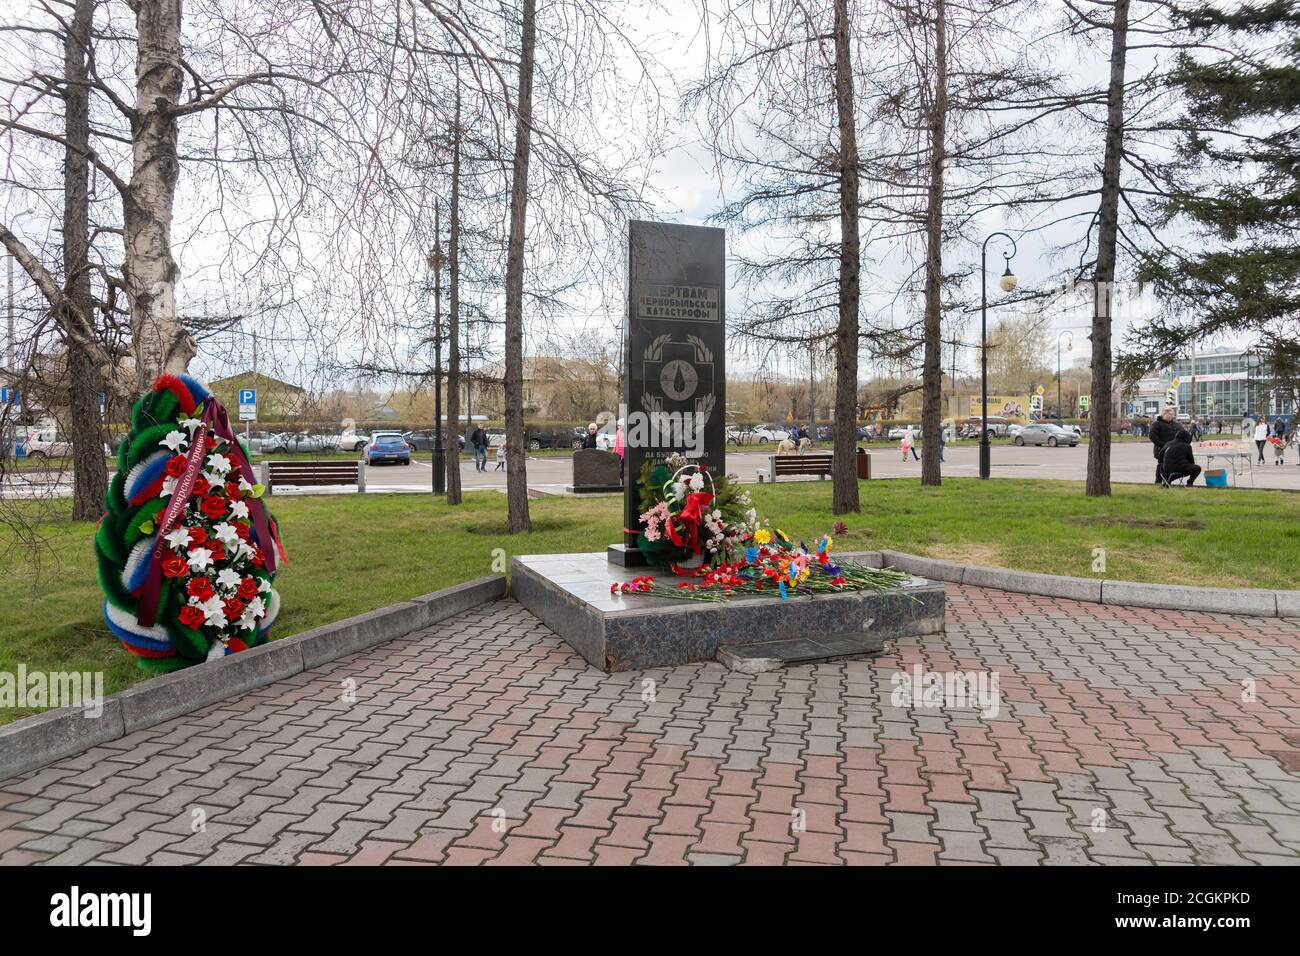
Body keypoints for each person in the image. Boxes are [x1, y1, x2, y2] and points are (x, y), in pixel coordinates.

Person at [1149, 407, 1180, 484]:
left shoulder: (1176, 424)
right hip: (1161, 449)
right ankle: (1158, 482)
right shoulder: (1157, 424)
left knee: (1172, 465)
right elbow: (1152, 436)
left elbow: (1183, 434)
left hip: (1175, 449)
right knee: (1161, 465)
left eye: (1172, 414)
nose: (1171, 416)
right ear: (1163, 414)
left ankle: (1168, 481)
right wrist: (1164, 445)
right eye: (1169, 414)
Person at [614, 417, 626, 483]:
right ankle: (618, 478)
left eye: (620, 425)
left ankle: (624, 480)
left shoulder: (626, 432)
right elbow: (616, 442)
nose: (618, 427)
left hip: (624, 453)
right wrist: (614, 450)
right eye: (618, 425)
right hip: (618, 452)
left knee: (624, 467)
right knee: (617, 466)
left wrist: (624, 454)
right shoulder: (618, 432)